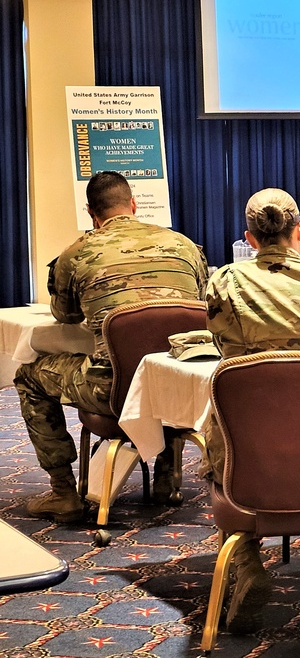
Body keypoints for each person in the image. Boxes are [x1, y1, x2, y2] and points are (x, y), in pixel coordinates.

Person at [203, 188, 300, 636]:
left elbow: (226, 351)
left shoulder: (224, 282)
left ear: (249, 238)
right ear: (299, 231)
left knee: (219, 449)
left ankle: (249, 568)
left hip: (246, 451)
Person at [14, 171, 208, 523]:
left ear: (92, 213)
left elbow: (65, 314)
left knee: (29, 376)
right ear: (133, 204)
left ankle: (63, 493)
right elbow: (198, 303)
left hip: (111, 389)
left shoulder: (77, 254)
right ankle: (167, 477)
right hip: (177, 385)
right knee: (162, 357)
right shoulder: (185, 246)